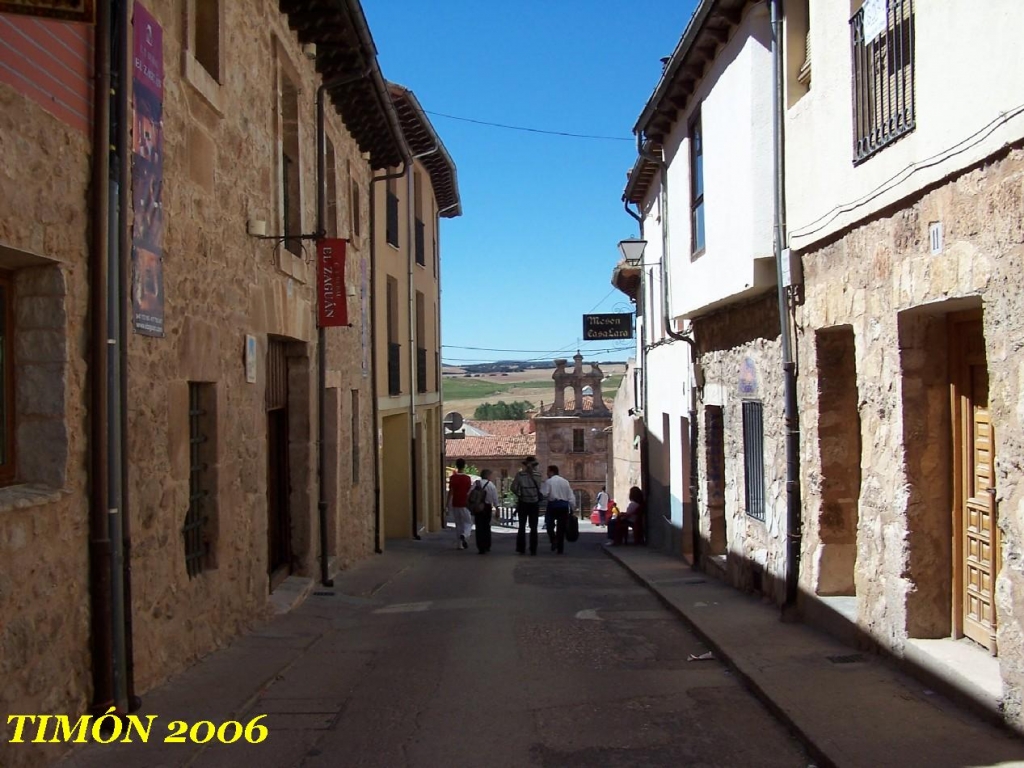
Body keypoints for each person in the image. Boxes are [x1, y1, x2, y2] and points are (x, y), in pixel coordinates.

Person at [511, 456, 543, 556]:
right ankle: (533, 549)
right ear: (535, 466)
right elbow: (540, 488)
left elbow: (513, 488)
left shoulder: (520, 475)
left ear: (525, 465)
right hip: (534, 503)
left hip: (523, 502)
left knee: (522, 526)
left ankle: (521, 548)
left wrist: (520, 494)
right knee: (533, 527)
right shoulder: (538, 475)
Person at [541, 465, 575, 554]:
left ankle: (553, 539)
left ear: (552, 472)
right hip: (564, 506)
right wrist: (572, 507)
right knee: (561, 528)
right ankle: (560, 548)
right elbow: (570, 495)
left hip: (553, 505)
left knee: (549, 525)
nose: (547, 473)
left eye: (547, 471)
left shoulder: (549, 482)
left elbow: (544, 493)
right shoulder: (565, 482)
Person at [446, 458, 473, 550]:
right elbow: (469, 492)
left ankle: (459, 544)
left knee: (458, 524)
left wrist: (447, 504)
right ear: (464, 466)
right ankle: (464, 535)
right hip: (464, 503)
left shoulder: (453, 478)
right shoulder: (467, 478)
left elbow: (451, 492)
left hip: (455, 503)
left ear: (456, 466)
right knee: (468, 523)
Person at [471, 469, 499, 554]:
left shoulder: (476, 483)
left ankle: (480, 547)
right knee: (486, 526)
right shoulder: (491, 485)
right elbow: (495, 498)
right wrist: (497, 508)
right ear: (488, 476)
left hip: (478, 506)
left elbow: (470, 493)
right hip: (487, 507)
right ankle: (487, 545)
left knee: (479, 526)